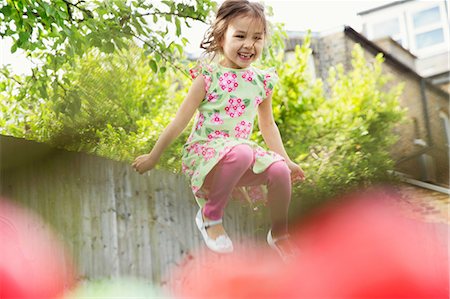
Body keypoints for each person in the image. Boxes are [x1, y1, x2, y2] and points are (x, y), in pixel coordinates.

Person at [132, 0, 305, 258]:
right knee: (243, 151)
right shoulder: (208, 76)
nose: (249, 44)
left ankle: (280, 233)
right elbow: (180, 121)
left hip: (238, 157)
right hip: (205, 155)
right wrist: (154, 156)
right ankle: (210, 216)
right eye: (240, 36)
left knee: (278, 168)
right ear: (221, 36)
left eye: (257, 38)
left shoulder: (261, 81)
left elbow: (268, 125)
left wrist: (288, 160)